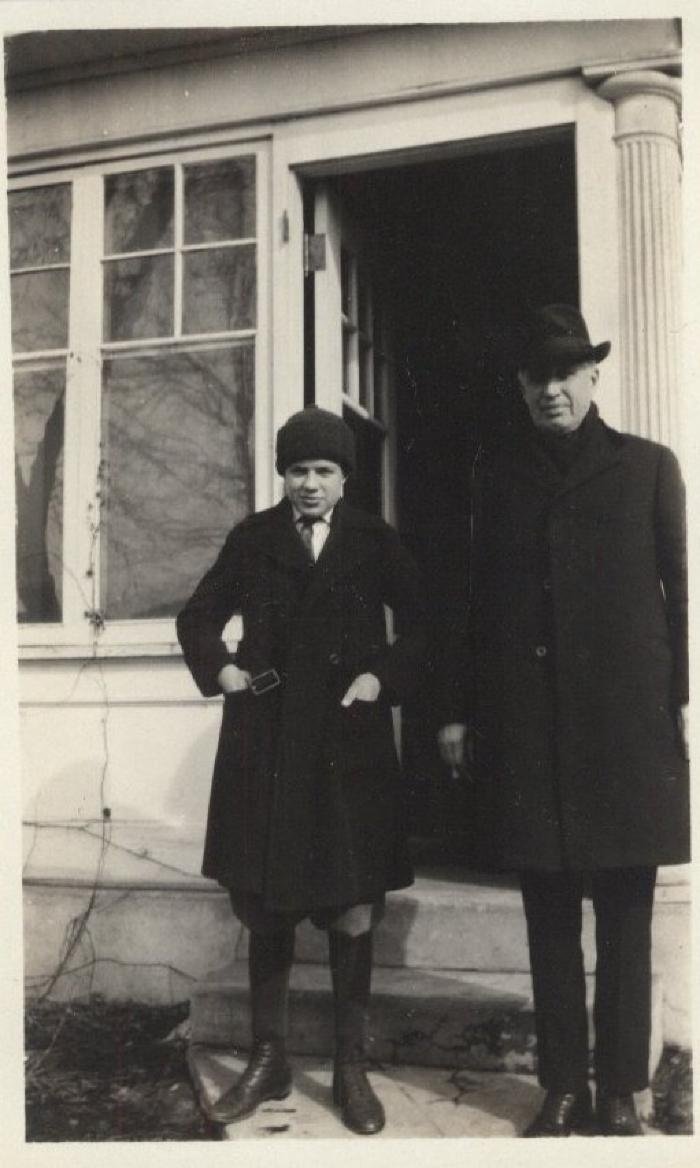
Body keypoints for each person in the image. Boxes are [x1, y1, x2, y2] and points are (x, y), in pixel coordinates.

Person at [437, 305, 689, 1137]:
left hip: (626, 734)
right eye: (536, 375)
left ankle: (619, 1089)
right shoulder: (495, 476)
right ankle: (563, 1086)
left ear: (593, 377)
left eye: (565, 372)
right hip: (530, 733)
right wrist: (460, 713)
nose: (551, 388)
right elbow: (472, 607)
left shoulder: (649, 468)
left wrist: (678, 707)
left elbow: (681, 596)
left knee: (625, 912)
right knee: (547, 915)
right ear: (521, 386)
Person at [177, 406, 426, 1135]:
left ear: (345, 476)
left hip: (350, 745)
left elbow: (421, 628)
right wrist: (221, 668)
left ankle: (350, 1067)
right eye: (297, 470)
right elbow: (198, 617)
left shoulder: (375, 541)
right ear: (281, 475)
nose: (309, 484)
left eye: (323, 470)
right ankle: (269, 1057)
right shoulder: (253, 540)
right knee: (267, 901)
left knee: (352, 907)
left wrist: (381, 679)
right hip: (269, 743)